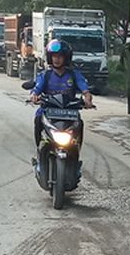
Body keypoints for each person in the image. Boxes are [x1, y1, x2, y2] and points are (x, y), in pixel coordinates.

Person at [30, 39, 93, 174]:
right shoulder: (45, 75)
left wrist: (87, 98)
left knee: (80, 124)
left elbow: (85, 90)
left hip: (69, 113)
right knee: (37, 119)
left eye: (60, 56)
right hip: (48, 112)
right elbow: (36, 90)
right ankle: (39, 153)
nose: (57, 59)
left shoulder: (73, 75)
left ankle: (76, 156)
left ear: (66, 58)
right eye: (54, 56)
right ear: (50, 57)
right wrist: (34, 96)